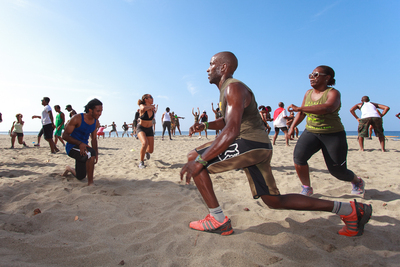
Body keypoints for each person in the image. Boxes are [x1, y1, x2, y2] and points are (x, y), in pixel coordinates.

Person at [180, 52, 372, 237]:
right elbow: (228, 121)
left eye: (211, 64)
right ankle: (350, 209)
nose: (208, 69)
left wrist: (201, 160)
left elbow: (231, 131)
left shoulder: (233, 87)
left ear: (223, 67)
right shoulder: (228, 89)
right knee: (273, 200)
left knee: (194, 158)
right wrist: (204, 125)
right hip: (258, 146)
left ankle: (217, 220)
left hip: (251, 143)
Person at [287, 65, 365, 198]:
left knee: (338, 171)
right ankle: (306, 188)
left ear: (327, 78)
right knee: (299, 158)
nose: (312, 77)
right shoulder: (308, 93)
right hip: (311, 132)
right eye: (310, 75)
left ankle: (357, 181)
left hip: (333, 134)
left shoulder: (333, 93)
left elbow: (328, 108)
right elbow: (303, 112)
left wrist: (299, 108)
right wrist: (292, 127)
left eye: (316, 74)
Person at [62, 99, 102, 186]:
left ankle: (69, 168)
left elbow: (94, 139)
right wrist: (80, 143)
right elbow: (64, 136)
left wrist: (96, 154)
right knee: (90, 154)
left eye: (101, 111)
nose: (100, 113)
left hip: (84, 148)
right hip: (72, 147)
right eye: (98, 111)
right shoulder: (77, 118)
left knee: (80, 176)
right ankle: (90, 183)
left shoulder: (96, 122)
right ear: (90, 110)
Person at [137, 94, 156, 168]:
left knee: (150, 150)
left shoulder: (151, 108)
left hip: (149, 129)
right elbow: (143, 108)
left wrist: (152, 108)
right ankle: (141, 162)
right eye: (151, 97)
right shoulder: (142, 105)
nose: (152, 98)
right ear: (146, 99)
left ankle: (146, 152)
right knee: (144, 143)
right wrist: (151, 106)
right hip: (141, 128)